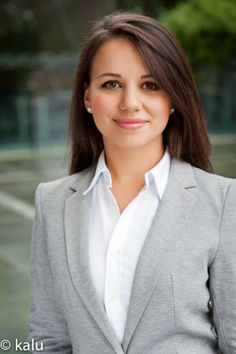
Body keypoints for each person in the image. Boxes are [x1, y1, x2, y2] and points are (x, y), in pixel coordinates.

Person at [28, 11, 236, 354]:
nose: (130, 103)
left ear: (173, 100)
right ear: (87, 98)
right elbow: (46, 340)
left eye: (150, 85)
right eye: (111, 84)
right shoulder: (51, 203)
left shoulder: (223, 200)